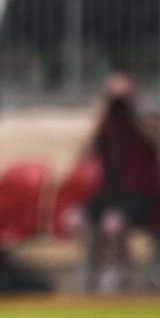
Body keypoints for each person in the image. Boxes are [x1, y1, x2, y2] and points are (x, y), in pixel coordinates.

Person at [75, 71, 160, 291]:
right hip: (112, 194)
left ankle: (120, 268)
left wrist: (132, 108)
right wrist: (103, 111)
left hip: (141, 195)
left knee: (112, 223)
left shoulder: (143, 123)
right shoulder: (106, 126)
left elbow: (154, 140)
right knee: (76, 219)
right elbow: (82, 155)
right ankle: (93, 262)